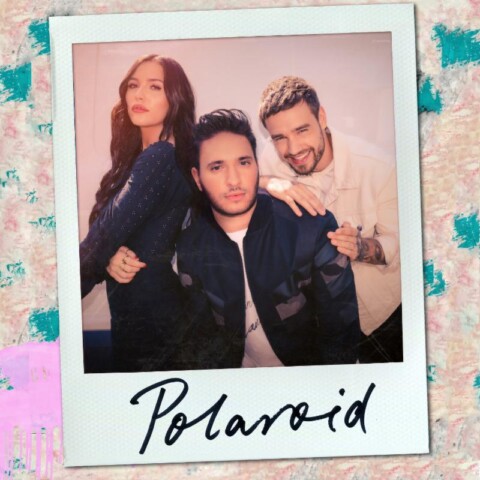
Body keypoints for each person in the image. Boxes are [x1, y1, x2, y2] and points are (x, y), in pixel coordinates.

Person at [175, 109, 359, 369]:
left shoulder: (311, 228)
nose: (233, 180)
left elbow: (341, 335)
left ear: (257, 166)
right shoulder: (191, 246)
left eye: (243, 163)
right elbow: (201, 341)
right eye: (217, 167)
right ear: (198, 178)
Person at [258, 76, 402, 363]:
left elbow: (400, 245)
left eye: (301, 130)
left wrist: (359, 247)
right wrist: (267, 182)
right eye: (279, 138)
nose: (293, 148)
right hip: (317, 320)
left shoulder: (380, 167)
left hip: (381, 317)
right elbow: (240, 184)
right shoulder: (270, 159)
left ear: (322, 117)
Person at [80, 54, 195, 372]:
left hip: (154, 320)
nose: (139, 95)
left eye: (154, 87)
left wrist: (53, 300)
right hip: (136, 314)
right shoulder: (139, 159)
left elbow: (104, 233)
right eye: (133, 85)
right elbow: (109, 230)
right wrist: (109, 256)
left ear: (175, 99)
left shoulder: (160, 156)